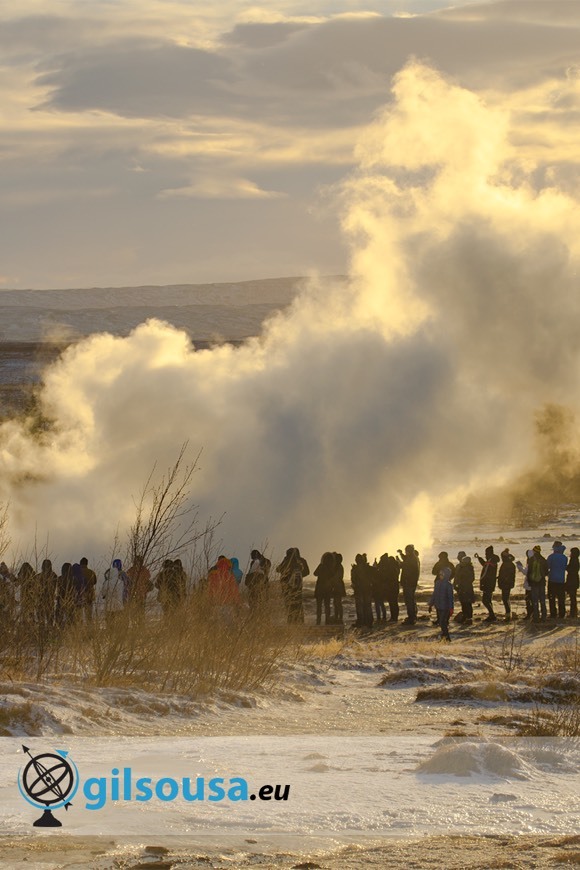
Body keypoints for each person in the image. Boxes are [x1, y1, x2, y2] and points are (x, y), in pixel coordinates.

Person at [277, 548, 309, 623]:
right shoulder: (301, 561)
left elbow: (278, 569)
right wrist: (300, 576)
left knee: (289, 604)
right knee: (298, 603)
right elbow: (307, 572)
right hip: (298, 586)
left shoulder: (286, 561)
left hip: (286, 587)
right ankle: (300, 621)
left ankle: (291, 621)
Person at [207, 555, 241, 621]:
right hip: (228, 605)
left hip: (216, 603)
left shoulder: (213, 574)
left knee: (217, 625)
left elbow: (210, 588)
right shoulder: (230, 575)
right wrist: (237, 602)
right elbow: (234, 590)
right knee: (227, 625)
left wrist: (210, 599)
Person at [429, 566, 453, 641]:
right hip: (438, 606)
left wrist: (451, 608)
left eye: (442, 574)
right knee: (441, 622)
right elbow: (434, 594)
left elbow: (450, 598)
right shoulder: (438, 583)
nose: (440, 576)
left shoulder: (448, 585)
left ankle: (446, 637)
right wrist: (431, 604)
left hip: (445, 607)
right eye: (440, 574)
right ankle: (444, 635)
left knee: (443, 622)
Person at [397, 545, 420, 625]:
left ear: (409, 551)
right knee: (411, 600)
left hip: (409, 583)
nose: (406, 552)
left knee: (409, 600)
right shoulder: (413, 558)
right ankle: (413, 616)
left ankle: (411, 618)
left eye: (406, 551)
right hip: (411, 583)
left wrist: (398, 561)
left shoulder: (412, 559)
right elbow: (406, 560)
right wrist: (401, 554)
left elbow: (404, 565)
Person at [475, 546, 499, 623]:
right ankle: (491, 615)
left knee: (485, 600)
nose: (485, 555)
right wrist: (479, 558)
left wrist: (484, 583)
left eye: (486, 553)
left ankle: (492, 615)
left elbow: (487, 569)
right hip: (489, 584)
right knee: (488, 600)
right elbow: (485, 564)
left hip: (488, 584)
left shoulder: (492, 561)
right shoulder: (491, 561)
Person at [350, 553, 374, 629]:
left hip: (359, 589)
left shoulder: (355, 569)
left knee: (360, 606)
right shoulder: (367, 568)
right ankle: (369, 622)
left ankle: (361, 621)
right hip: (367, 589)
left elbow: (353, 580)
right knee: (367, 606)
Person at [35, 559, 58, 633]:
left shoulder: (38, 576)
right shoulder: (54, 576)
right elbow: (55, 588)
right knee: (50, 618)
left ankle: (41, 635)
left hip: (40, 600)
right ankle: (50, 634)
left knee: (41, 619)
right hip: (50, 600)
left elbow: (36, 590)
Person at [376, 553, 400, 622]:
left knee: (393, 603)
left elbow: (384, 576)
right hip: (394, 586)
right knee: (394, 602)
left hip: (391, 587)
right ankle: (394, 617)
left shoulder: (390, 568)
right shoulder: (394, 566)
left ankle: (394, 617)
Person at [547, 541, 567, 620]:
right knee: (561, 598)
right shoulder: (564, 557)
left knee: (552, 598)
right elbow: (565, 567)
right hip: (561, 580)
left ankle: (553, 613)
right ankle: (562, 613)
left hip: (552, 579)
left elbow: (547, 566)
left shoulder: (551, 557)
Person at [314, 552, 336, 626]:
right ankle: (327, 621)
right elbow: (333, 577)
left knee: (319, 606)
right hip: (327, 589)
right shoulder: (331, 568)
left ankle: (318, 621)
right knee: (327, 605)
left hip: (320, 588)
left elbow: (315, 573)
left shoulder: (321, 566)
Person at [528, 545, 548, 623]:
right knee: (542, 600)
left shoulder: (531, 560)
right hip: (542, 582)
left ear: (534, 551)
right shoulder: (543, 559)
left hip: (533, 583)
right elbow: (546, 572)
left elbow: (529, 572)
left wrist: (529, 581)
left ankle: (536, 617)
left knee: (535, 600)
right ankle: (544, 616)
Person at [454, 552, 475, 625]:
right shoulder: (462, 567)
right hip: (463, 587)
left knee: (467, 603)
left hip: (465, 588)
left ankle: (468, 618)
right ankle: (466, 616)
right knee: (464, 603)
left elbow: (470, 578)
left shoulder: (466, 568)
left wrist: (460, 584)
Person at [497, 549, 516, 621]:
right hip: (507, 583)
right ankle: (508, 614)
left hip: (506, 584)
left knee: (505, 599)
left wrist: (502, 580)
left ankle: (508, 615)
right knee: (506, 599)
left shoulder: (507, 564)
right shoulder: (509, 563)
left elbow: (507, 575)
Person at [55, 563, 76, 627]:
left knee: (59, 618)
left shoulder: (59, 579)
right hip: (71, 600)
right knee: (71, 618)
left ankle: (60, 629)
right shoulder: (74, 579)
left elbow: (57, 590)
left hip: (60, 600)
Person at [516, 550, 534, 620]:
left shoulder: (530, 563)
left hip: (529, 584)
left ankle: (529, 614)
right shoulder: (536, 561)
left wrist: (519, 567)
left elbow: (526, 572)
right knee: (533, 600)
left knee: (528, 599)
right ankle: (534, 613)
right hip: (535, 584)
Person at [330, 553, 346, 624]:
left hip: (338, 586)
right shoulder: (338, 566)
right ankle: (337, 617)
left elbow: (336, 577)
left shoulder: (338, 567)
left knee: (338, 602)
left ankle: (339, 617)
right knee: (336, 603)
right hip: (338, 586)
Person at [80, 557, 97, 621]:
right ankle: (89, 627)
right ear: (87, 564)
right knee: (89, 614)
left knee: (80, 613)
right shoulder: (92, 572)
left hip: (81, 595)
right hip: (90, 594)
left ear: (80, 563)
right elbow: (95, 582)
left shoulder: (79, 572)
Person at [566, 546, 579, 619]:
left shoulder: (573, 560)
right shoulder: (576, 560)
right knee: (573, 597)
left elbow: (570, 569)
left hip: (572, 580)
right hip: (575, 580)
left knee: (572, 597)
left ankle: (573, 613)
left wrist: (567, 567)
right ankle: (574, 612)